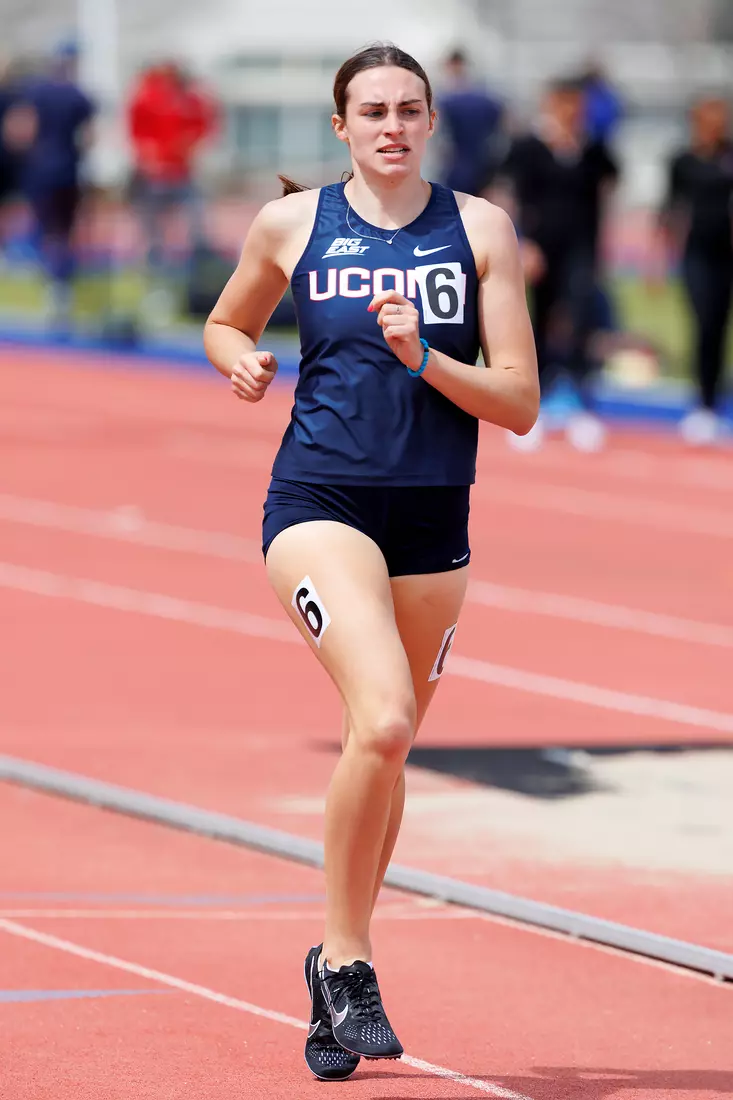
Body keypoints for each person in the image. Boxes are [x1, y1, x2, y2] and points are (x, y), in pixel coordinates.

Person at [203, 43, 538, 1081]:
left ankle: (325, 973)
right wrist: (243, 359)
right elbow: (224, 318)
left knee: (379, 749)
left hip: (434, 521)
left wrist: (426, 359)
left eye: (409, 109)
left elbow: (519, 402)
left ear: (431, 122)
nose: (391, 125)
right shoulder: (293, 226)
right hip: (319, 502)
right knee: (386, 716)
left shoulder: (479, 230)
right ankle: (348, 957)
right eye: (371, 111)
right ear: (339, 127)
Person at [496, 76, 618, 452]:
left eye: (576, 104)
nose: (570, 111)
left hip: (580, 247)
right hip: (540, 248)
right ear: (551, 104)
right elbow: (509, 193)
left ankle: (582, 402)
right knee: (540, 320)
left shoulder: (593, 148)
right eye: (563, 103)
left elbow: (606, 191)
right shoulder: (529, 146)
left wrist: (602, 247)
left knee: (581, 316)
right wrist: (522, 242)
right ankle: (537, 402)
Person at [658, 94, 733, 445]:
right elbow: (670, 209)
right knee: (704, 322)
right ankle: (702, 403)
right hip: (697, 254)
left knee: (720, 326)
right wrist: (657, 261)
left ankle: (714, 399)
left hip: (727, 254)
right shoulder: (683, 161)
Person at [15, 43, 95, 328]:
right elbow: (88, 138)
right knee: (64, 231)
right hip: (67, 171)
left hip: (42, 171)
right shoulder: (79, 96)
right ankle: (62, 285)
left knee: (47, 231)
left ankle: (55, 286)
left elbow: (21, 131)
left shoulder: (36, 92)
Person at [127, 61, 218, 283]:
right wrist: (149, 157)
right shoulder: (148, 97)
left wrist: (190, 144)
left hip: (181, 172)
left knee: (196, 221)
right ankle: (154, 269)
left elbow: (204, 125)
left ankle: (198, 269)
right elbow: (137, 131)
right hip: (155, 174)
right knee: (152, 229)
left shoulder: (190, 100)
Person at [438, 48, 504, 196]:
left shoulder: (446, 100)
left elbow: (441, 139)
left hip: (456, 166)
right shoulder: (487, 98)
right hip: (482, 165)